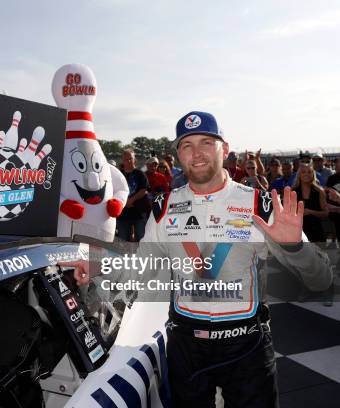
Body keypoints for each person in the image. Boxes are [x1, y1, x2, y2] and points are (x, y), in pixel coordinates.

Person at [61, 111, 331, 408]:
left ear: (224, 149)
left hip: (246, 346)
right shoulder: (164, 208)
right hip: (186, 345)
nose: (197, 153)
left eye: (206, 142)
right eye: (187, 145)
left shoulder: (260, 204)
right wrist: (100, 266)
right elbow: (143, 267)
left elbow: (321, 279)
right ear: (178, 154)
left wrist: (295, 248)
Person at [116, 149, 149, 242]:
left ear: (135, 160)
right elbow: (114, 190)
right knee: (123, 242)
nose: (129, 161)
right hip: (123, 214)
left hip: (138, 214)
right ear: (122, 160)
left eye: (130, 158)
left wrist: (132, 200)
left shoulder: (140, 174)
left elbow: (144, 189)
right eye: (126, 159)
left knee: (141, 241)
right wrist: (124, 201)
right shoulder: (119, 175)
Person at [292, 164, 328, 243]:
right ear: (299, 175)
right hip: (299, 232)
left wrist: (310, 212)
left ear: (313, 174)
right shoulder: (293, 192)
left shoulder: (319, 191)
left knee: (318, 255)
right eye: (303, 172)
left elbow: (326, 213)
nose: (306, 174)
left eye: (309, 172)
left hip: (317, 232)